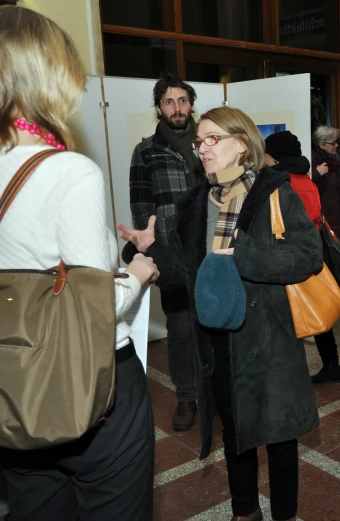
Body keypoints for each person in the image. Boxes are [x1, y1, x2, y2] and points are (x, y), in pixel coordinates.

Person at [119, 107, 322, 521]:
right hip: (216, 342)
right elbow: (179, 271)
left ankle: (284, 513)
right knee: (234, 433)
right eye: (199, 141)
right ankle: (244, 511)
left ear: (242, 143)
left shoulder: (275, 192)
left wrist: (245, 254)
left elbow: (307, 256)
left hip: (268, 340)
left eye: (212, 139)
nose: (202, 148)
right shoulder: (194, 203)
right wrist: (147, 250)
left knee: (280, 437)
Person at [0, 6, 158, 520]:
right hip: (90, 386)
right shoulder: (69, 172)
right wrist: (137, 272)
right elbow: (98, 307)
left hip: (12, 386)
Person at [129, 73, 202, 431]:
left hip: (212, 249)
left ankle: (215, 392)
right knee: (180, 329)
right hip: (173, 255)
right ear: (159, 108)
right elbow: (142, 212)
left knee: (219, 323)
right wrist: (158, 257)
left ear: (191, 104)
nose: (177, 108)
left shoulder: (209, 141)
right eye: (169, 101)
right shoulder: (146, 151)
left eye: (183, 100)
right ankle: (186, 397)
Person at [264, 130, 340, 384]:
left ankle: (291, 373)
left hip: (289, 255)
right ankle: (332, 365)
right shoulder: (306, 179)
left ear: (275, 157)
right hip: (313, 250)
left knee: (290, 315)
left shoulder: (279, 181)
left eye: (266, 153)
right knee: (315, 306)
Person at [312, 125, 340, 308]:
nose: (336, 146)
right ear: (322, 144)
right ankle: (329, 297)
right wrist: (316, 174)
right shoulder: (313, 160)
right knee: (330, 258)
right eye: (333, 143)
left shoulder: (337, 159)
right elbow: (305, 186)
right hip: (327, 218)